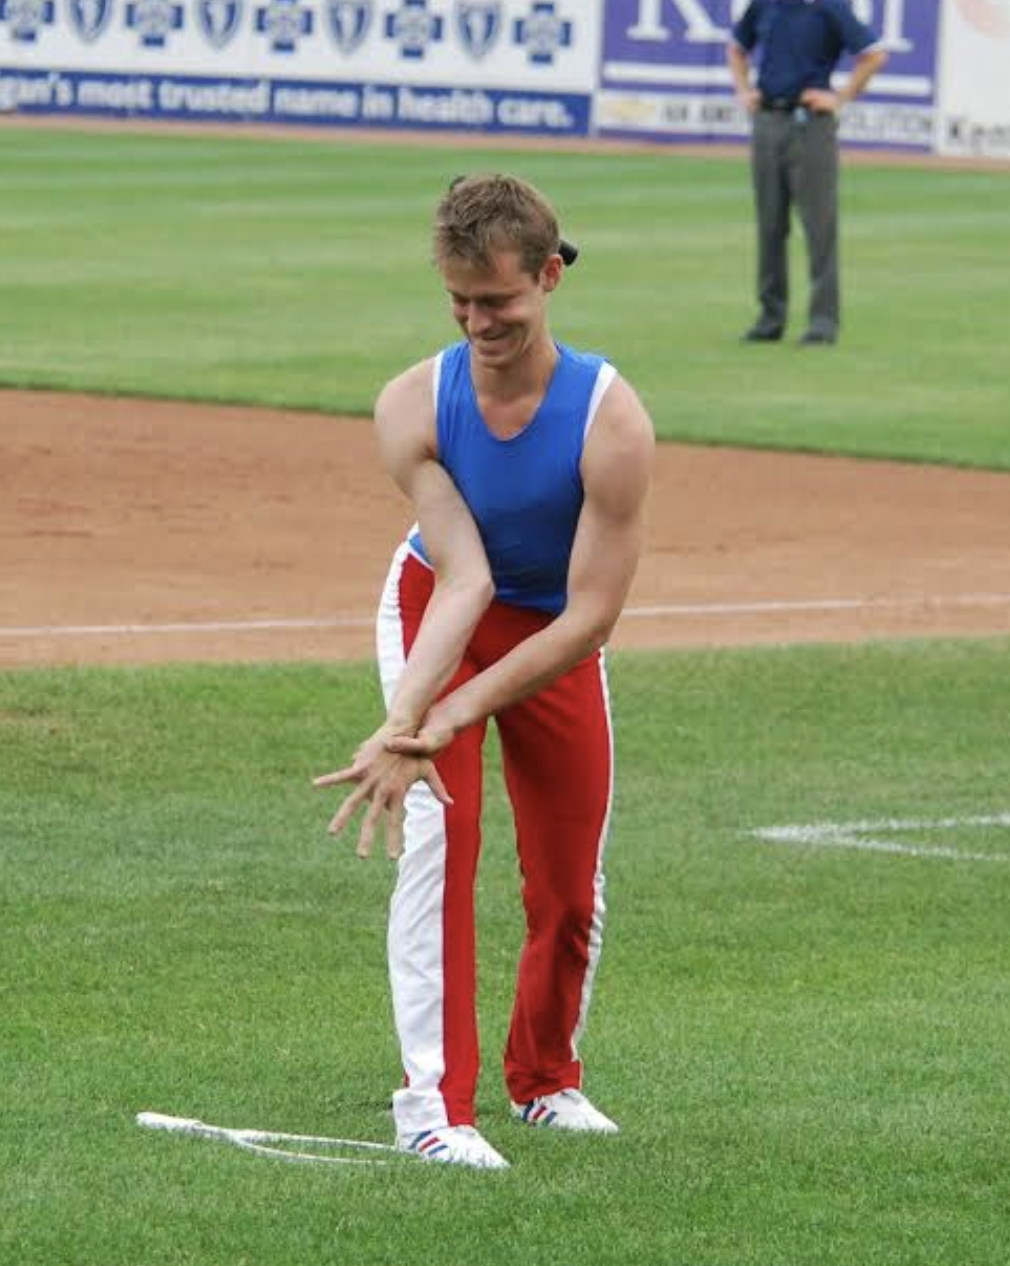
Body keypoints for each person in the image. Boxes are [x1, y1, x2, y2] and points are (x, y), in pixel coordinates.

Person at [313, 173, 654, 1170]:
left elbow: (589, 618)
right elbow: (463, 577)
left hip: (553, 628)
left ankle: (545, 1081)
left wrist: (451, 711)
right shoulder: (411, 404)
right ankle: (430, 1106)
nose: (476, 321)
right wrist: (409, 722)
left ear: (549, 277)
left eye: (497, 300)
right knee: (439, 841)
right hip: (438, 608)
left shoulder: (610, 420)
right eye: (457, 301)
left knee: (567, 875)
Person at [727, 0, 888, 345]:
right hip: (768, 119)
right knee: (770, 225)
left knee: (819, 227)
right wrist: (743, 90)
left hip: (811, 125)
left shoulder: (829, 6)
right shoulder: (765, 5)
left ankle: (823, 323)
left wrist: (840, 98)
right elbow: (737, 47)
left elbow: (874, 53)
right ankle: (771, 318)